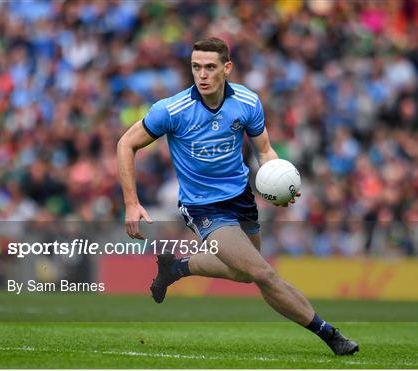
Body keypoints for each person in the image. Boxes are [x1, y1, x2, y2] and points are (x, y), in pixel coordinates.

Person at [117, 37, 359, 356]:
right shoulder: (172, 109)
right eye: (196, 67)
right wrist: (132, 203)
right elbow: (126, 144)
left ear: (226, 68)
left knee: (244, 274)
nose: (202, 74)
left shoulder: (246, 101)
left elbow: (265, 151)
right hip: (203, 206)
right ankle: (330, 334)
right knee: (263, 273)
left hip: (241, 198)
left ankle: (176, 269)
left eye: (210, 67)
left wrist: (280, 182)